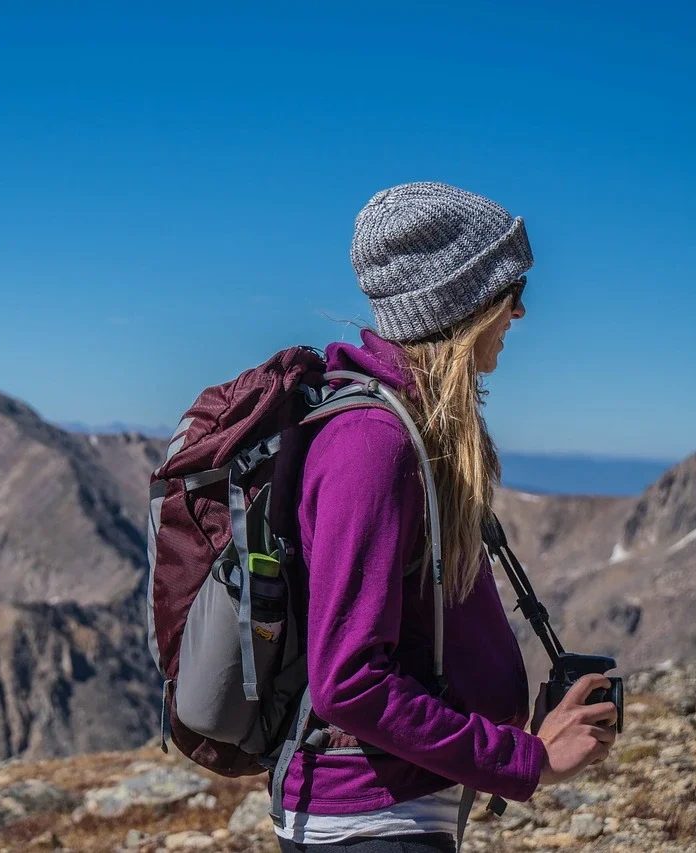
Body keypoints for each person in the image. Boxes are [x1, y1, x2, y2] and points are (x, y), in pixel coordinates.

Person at [275, 182, 620, 852]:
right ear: (464, 304)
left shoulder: (411, 435)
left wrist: (517, 728)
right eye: (511, 290)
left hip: (394, 814)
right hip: (369, 822)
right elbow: (348, 681)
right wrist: (527, 760)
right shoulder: (373, 445)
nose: (519, 313)